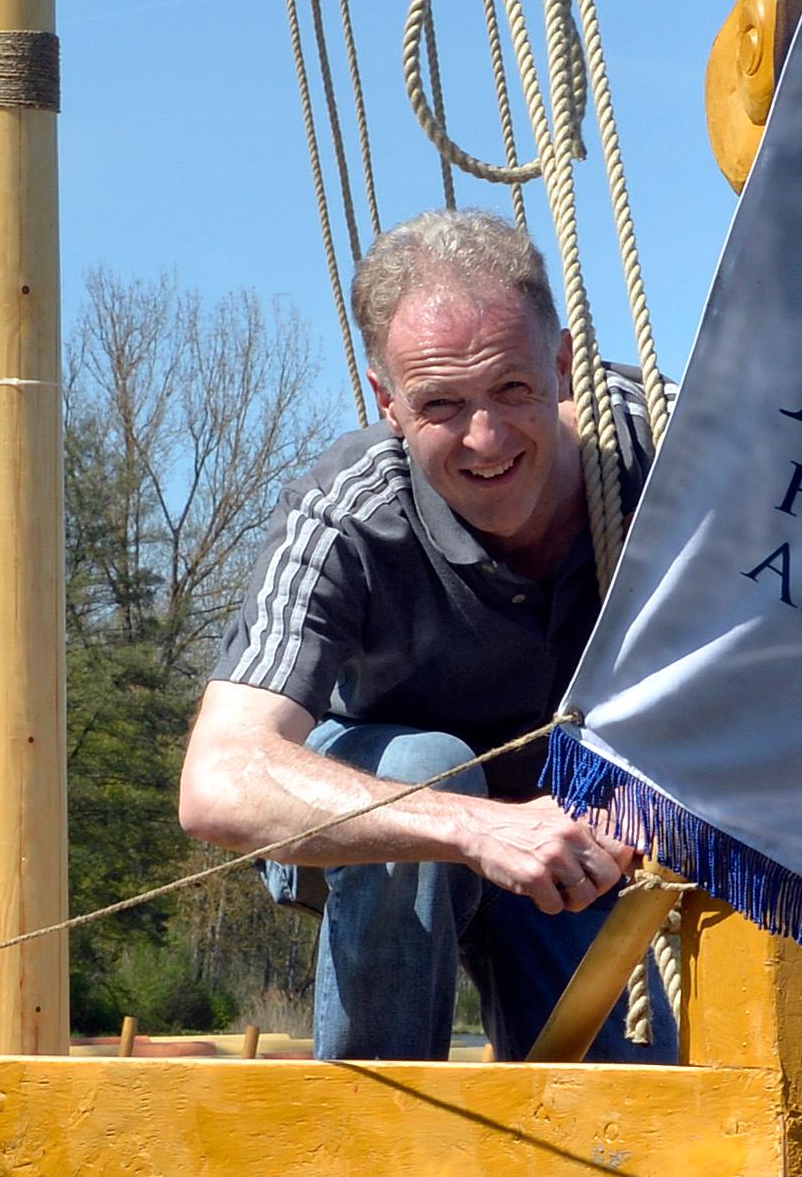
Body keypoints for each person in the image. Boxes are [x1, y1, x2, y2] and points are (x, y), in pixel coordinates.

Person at [180, 208, 671, 1063]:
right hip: (407, 842)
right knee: (420, 764)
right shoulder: (346, 515)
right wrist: (477, 828)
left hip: (591, 845)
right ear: (388, 402)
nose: (485, 440)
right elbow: (218, 780)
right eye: (441, 404)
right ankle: (375, 1142)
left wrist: (644, 806)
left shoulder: (672, 447)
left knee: (638, 1104)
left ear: (561, 366)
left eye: (513, 390)